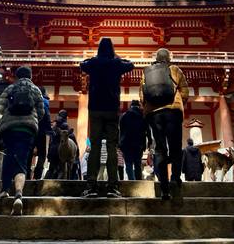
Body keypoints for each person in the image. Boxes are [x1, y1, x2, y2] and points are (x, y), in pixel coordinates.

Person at [80, 37, 134, 197]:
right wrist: (118, 58)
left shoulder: (93, 63)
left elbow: (82, 64)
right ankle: (113, 186)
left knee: (95, 146)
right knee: (112, 146)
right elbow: (131, 65)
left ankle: (91, 185)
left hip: (95, 108)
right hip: (112, 108)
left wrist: (93, 58)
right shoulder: (116, 63)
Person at [140, 48, 189, 200]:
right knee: (175, 147)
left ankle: (164, 187)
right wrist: (180, 103)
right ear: (168, 58)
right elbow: (185, 92)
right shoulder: (174, 69)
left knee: (160, 148)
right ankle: (175, 178)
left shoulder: (146, 72)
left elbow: (142, 95)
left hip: (154, 115)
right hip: (173, 112)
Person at [0, 65, 45, 215]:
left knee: (9, 156)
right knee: (22, 161)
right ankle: (18, 194)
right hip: (27, 129)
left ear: (16, 75)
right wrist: (33, 119)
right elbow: (41, 112)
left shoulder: (10, 88)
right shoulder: (36, 90)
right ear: (30, 76)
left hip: (10, 128)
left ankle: (4, 189)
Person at [119, 99, 151, 180]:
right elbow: (148, 130)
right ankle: (138, 182)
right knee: (137, 164)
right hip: (139, 144)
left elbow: (120, 130)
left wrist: (120, 143)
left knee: (128, 164)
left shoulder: (124, 115)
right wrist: (149, 141)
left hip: (126, 143)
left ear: (131, 106)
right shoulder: (143, 116)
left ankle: (131, 180)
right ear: (139, 106)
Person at [32, 86, 52, 179]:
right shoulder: (45, 102)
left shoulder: (32, 100)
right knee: (42, 154)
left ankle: (26, 175)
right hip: (42, 131)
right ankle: (37, 176)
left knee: (29, 153)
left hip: (31, 129)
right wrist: (49, 130)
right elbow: (47, 115)